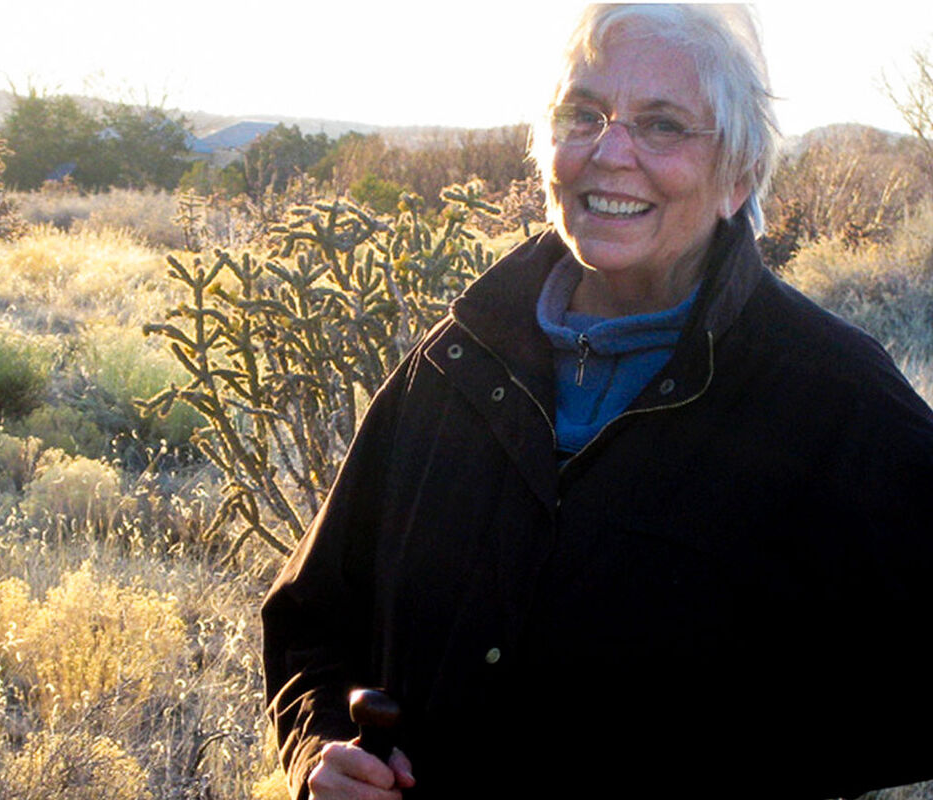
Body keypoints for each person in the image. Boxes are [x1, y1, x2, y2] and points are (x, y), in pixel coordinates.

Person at [262, 5, 933, 799]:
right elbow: (312, 618)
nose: (611, 154)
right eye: (582, 115)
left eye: (663, 125)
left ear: (741, 177)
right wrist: (324, 752)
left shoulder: (832, 397)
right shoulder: (456, 362)